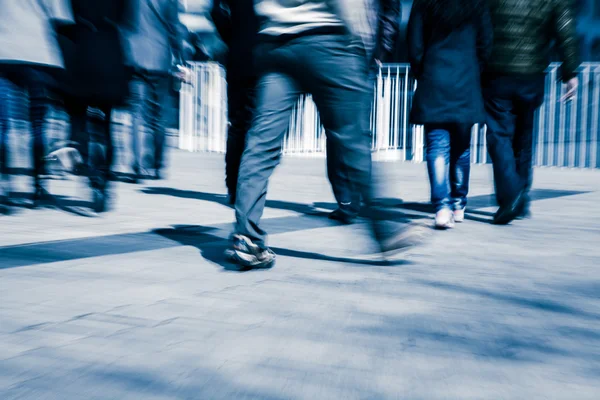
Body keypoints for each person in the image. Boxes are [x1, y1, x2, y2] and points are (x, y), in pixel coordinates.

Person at [226, 0, 428, 270]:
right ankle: (387, 230)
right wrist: (359, 39)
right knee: (352, 139)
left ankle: (246, 238)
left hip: (274, 43)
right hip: (327, 40)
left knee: (261, 144)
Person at [484, 0, 579, 225]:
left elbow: (480, 23)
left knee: (499, 136)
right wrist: (570, 72)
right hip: (532, 74)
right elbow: (565, 30)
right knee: (524, 137)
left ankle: (511, 197)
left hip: (497, 72)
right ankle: (521, 198)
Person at [407, 0, 492, 229]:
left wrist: (422, 72)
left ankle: (441, 208)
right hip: (466, 78)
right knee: (462, 148)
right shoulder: (478, 5)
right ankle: (458, 205)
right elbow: (486, 44)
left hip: (435, 76)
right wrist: (475, 70)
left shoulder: (425, 3)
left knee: (436, 146)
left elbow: (414, 45)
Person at [327, 0, 402, 225]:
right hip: (336, 55)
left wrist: (381, 51)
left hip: (363, 56)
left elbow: (391, 12)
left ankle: (351, 201)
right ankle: (347, 200)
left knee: (353, 130)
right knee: (338, 130)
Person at [57, 0, 132, 212]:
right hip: (108, 54)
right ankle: (102, 179)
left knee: (78, 120)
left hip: (79, 54)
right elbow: (127, 20)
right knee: (104, 127)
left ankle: (84, 164)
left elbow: (62, 20)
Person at [0, 0, 74, 209]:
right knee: (38, 124)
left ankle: (5, 183)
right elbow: (61, 17)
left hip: (4, 53)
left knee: (4, 123)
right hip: (38, 54)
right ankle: (36, 184)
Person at [124, 0, 184, 182]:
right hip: (160, 58)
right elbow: (174, 27)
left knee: (136, 113)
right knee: (159, 115)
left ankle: (137, 166)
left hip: (134, 57)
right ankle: (157, 165)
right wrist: (181, 57)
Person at [211, 0, 260, 206]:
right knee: (257, 128)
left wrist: (232, 36)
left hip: (239, 58)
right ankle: (247, 188)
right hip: (263, 60)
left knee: (238, 126)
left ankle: (234, 186)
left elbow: (215, 12)